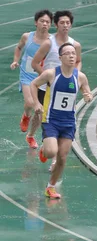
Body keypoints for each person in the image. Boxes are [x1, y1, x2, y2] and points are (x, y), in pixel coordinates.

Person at [30, 43, 93, 200]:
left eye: (73, 53)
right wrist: (37, 104)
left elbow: (87, 90)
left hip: (68, 123)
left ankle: (50, 187)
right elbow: (34, 84)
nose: (72, 56)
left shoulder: (80, 76)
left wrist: (88, 96)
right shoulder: (51, 74)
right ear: (60, 57)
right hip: (51, 120)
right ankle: (45, 150)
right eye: (68, 53)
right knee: (52, 152)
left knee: (62, 158)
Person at [32, 10, 82, 171]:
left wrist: (76, 76)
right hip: (46, 87)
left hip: (65, 89)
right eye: (62, 23)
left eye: (68, 23)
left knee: (60, 119)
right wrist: (48, 79)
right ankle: (42, 144)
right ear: (56, 25)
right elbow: (35, 63)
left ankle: (54, 159)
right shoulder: (49, 43)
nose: (65, 25)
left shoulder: (75, 45)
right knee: (41, 117)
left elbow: (79, 63)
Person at [10, 10, 52, 149]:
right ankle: (26, 116)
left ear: (51, 25)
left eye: (47, 22)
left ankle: (30, 136)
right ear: (36, 22)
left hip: (42, 77)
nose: (45, 24)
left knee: (39, 111)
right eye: (42, 21)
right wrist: (16, 60)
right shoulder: (27, 37)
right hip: (26, 74)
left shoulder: (51, 41)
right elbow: (18, 48)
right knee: (30, 102)